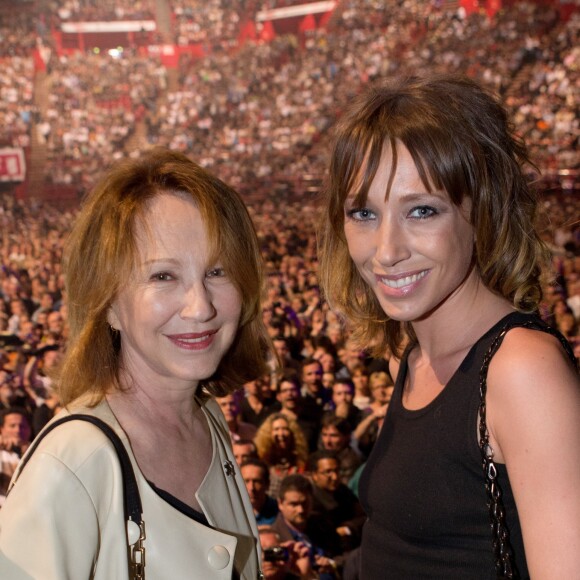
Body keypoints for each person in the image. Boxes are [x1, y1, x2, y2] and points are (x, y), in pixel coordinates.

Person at [318, 74, 580, 578]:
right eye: (364, 213)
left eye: (421, 210)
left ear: (481, 211)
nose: (386, 251)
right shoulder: (411, 357)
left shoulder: (521, 372)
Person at [0, 148, 271, 578]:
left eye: (217, 272)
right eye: (163, 276)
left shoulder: (209, 419)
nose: (200, 307)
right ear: (107, 304)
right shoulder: (71, 465)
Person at [241, 457, 279, 526]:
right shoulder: (230, 511)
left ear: (267, 484)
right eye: (246, 481)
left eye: (257, 482)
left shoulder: (279, 513)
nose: (251, 488)